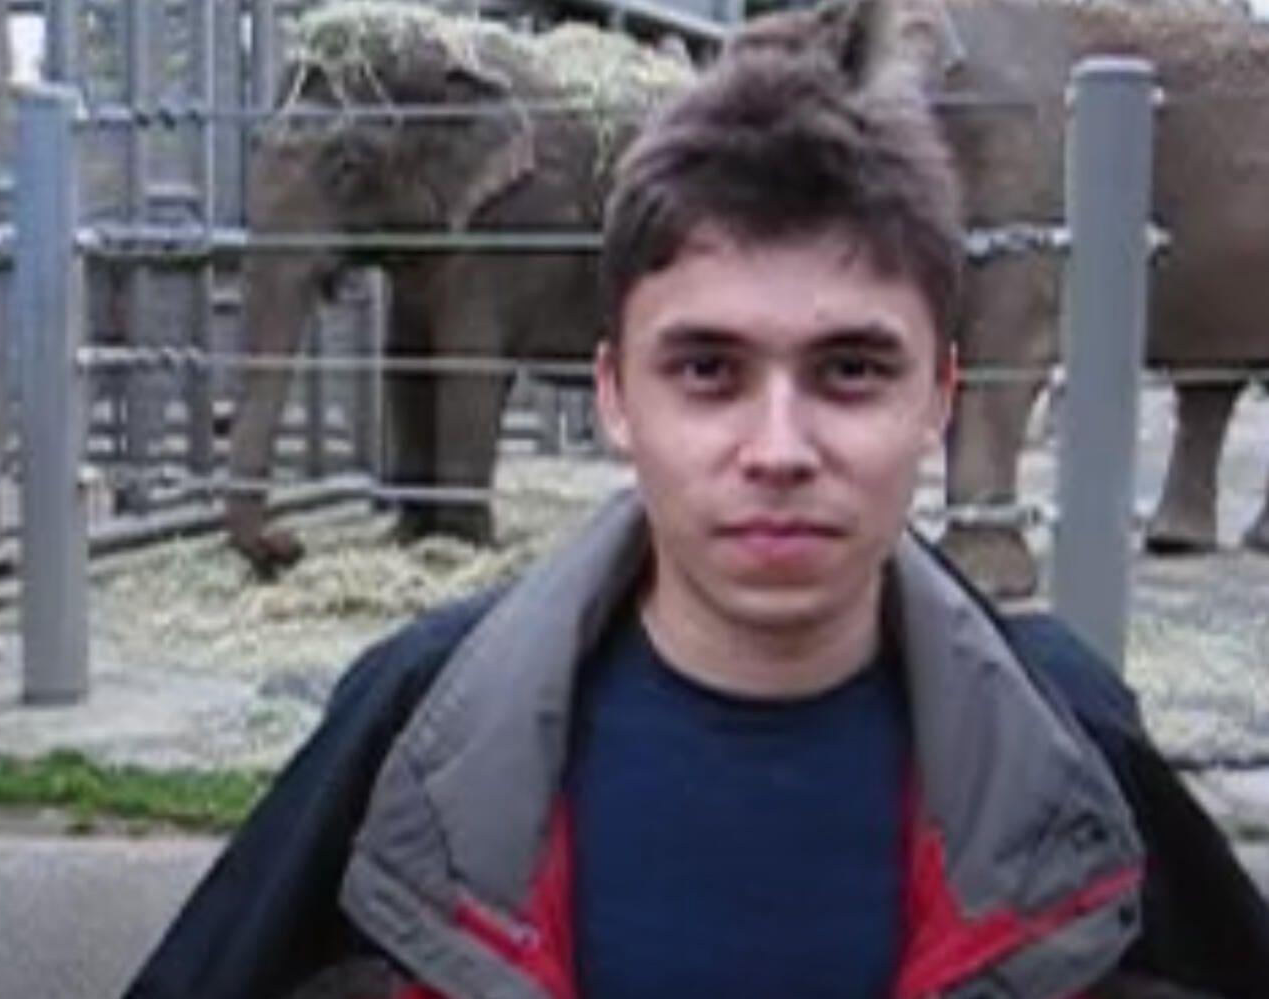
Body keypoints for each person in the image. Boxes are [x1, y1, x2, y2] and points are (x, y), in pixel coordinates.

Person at [125, 26, 1269, 999]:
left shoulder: (1074, 742)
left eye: (850, 371)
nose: (778, 451)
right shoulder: (410, 728)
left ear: (939, 399)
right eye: (708, 371)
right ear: (615, 397)